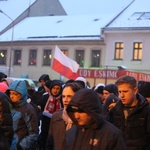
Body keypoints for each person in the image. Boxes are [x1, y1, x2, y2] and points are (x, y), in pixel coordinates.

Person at [108, 75, 150, 150]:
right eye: (119, 92)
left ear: (135, 91)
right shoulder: (114, 110)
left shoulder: (146, 110)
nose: (122, 95)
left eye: (125, 91)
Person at [46, 82, 83, 150]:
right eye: (63, 96)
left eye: (69, 96)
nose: (65, 100)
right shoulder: (56, 116)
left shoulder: (83, 118)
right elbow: (50, 143)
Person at [6, 80, 39, 150]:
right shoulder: (9, 106)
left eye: (15, 94)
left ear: (21, 94)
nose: (11, 96)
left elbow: (34, 133)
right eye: (10, 93)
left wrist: (20, 146)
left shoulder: (28, 110)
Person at [38, 79, 63, 150]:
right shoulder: (45, 97)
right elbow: (40, 106)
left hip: (58, 124)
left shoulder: (62, 99)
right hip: (46, 124)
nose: (55, 91)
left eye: (57, 89)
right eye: (54, 88)